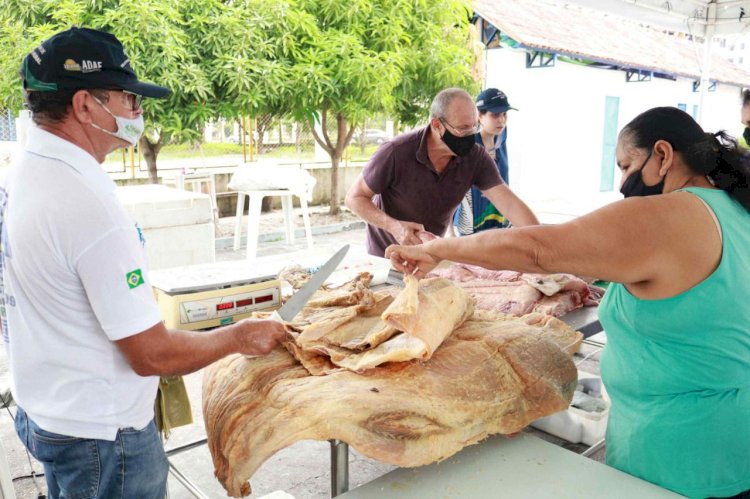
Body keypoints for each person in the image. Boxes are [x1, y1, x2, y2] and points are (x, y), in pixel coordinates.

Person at [386, 106, 750, 499]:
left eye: (627, 165)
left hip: (683, 459)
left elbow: (540, 249)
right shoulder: (733, 211)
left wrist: (440, 249)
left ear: (662, 155)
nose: (624, 181)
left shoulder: (673, 213)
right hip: (729, 448)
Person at [0, 27, 285, 499]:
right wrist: (240, 335)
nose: (137, 112)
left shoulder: (25, 169)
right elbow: (151, 355)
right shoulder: (85, 201)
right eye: (128, 99)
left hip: (51, 412)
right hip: (103, 439)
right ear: (85, 105)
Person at [345, 87, 538, 257]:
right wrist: (395, 227)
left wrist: (543, 242)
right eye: (462, 130)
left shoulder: (475, 156)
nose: (471, 136)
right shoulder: (395, 152)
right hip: (386, 257)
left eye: (473, 127)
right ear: (437, 125)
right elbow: (354, 198)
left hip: (432, 255)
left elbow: (509, 204)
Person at [454, 88, 516, 235]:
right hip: (473, 221)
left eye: (504, 114)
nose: (501, 120)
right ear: (480, 116)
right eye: (495, 115)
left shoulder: (501, 136)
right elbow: (453, 186)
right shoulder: (468, 145)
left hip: (499, 217)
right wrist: (449, 230)